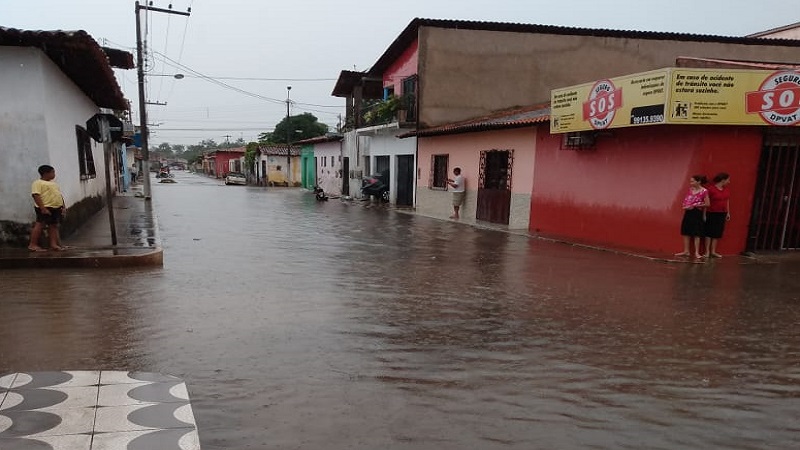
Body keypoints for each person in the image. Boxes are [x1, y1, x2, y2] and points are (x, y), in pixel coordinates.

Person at [28, 164, 66, 252]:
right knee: (40, 225)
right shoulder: (38, 183)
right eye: (52, 172)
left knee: (53, 225)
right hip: (45, 207)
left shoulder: (54, 184)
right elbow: (36, 195)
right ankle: (32, 244)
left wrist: (63, 206)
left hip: (56, 207)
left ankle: (53, 244)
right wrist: (43, 208)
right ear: (45, 173)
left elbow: (59, 195)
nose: (54, 174)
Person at [675, 174, 709, 259]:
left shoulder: (704, 191)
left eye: (693, 181)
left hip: (697, 212)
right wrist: (686, 206)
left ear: (699, 182)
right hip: (688, 212)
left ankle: (696, 252)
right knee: (686, 231)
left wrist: (695, 205)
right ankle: (686, 251)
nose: (691, 183)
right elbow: (686, 200)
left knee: (696, 232)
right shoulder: (690, 189)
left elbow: (707, 204)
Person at [704, 172, 731, 258]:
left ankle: (713, 251)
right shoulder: (711, 189)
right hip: (711, 212)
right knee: (709, 232)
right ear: (723, 180)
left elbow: (727, 201)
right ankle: (707, 251)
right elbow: (706, 202)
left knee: (717, 232)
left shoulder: (726, 189)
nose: (729, 182)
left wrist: (728, 212)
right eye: (728, 180)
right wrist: (704, 214)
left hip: (721, 213)